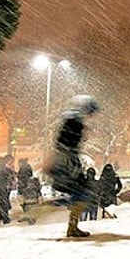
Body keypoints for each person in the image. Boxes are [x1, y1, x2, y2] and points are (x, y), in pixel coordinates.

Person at [43, 94, 100, 237]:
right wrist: (72, 164)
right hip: (66, 163)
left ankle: (71, 226)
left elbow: (62, 143)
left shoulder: (72, 120)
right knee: (82, 193)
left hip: (65, 161)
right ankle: (44, 211)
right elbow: (66, 144)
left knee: (80, 193)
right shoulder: (74, 122)